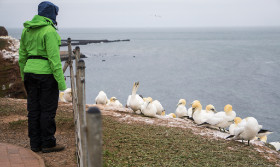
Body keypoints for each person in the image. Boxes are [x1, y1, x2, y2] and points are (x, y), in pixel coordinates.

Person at [18, 1, 66, 153]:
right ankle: (47, 143)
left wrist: (23, 75)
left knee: (33, 109)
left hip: (29, 73)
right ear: (51, 14)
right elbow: (54, 60)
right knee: (47, 110)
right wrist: (61, 84)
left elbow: (22, 56)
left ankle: (35, 144)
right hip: (46, 75)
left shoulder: (27, 30)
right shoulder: (49, 31)